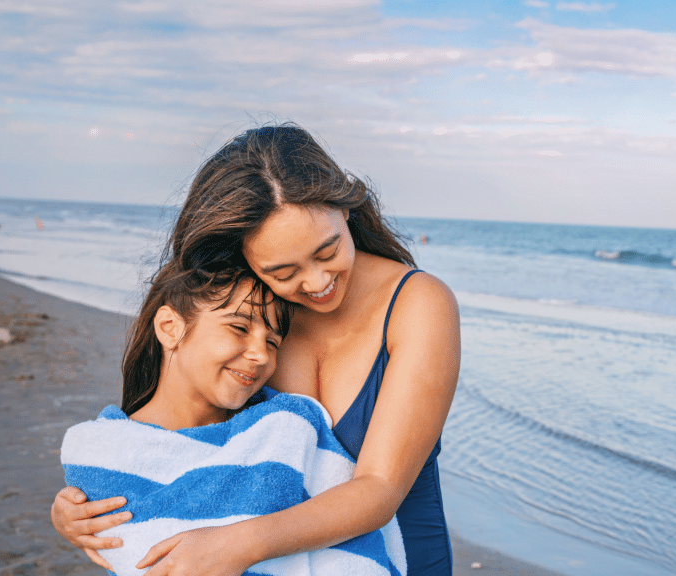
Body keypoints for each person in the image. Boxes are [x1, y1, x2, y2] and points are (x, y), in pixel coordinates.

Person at [52, 123, 461, 575]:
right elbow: (178, 443)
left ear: (346, 209)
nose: (317, 282)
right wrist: (82, 505)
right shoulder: (251, 316)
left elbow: (380, 488)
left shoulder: (418, 303)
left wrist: (237, 545)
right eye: (283, 271)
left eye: (327, 252)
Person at [59, 260, 406, 576]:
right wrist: (67, 514)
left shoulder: (282, 427)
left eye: (272, 342)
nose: (260, 355)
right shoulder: (107, 449)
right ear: (169, 327)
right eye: (239, 328)